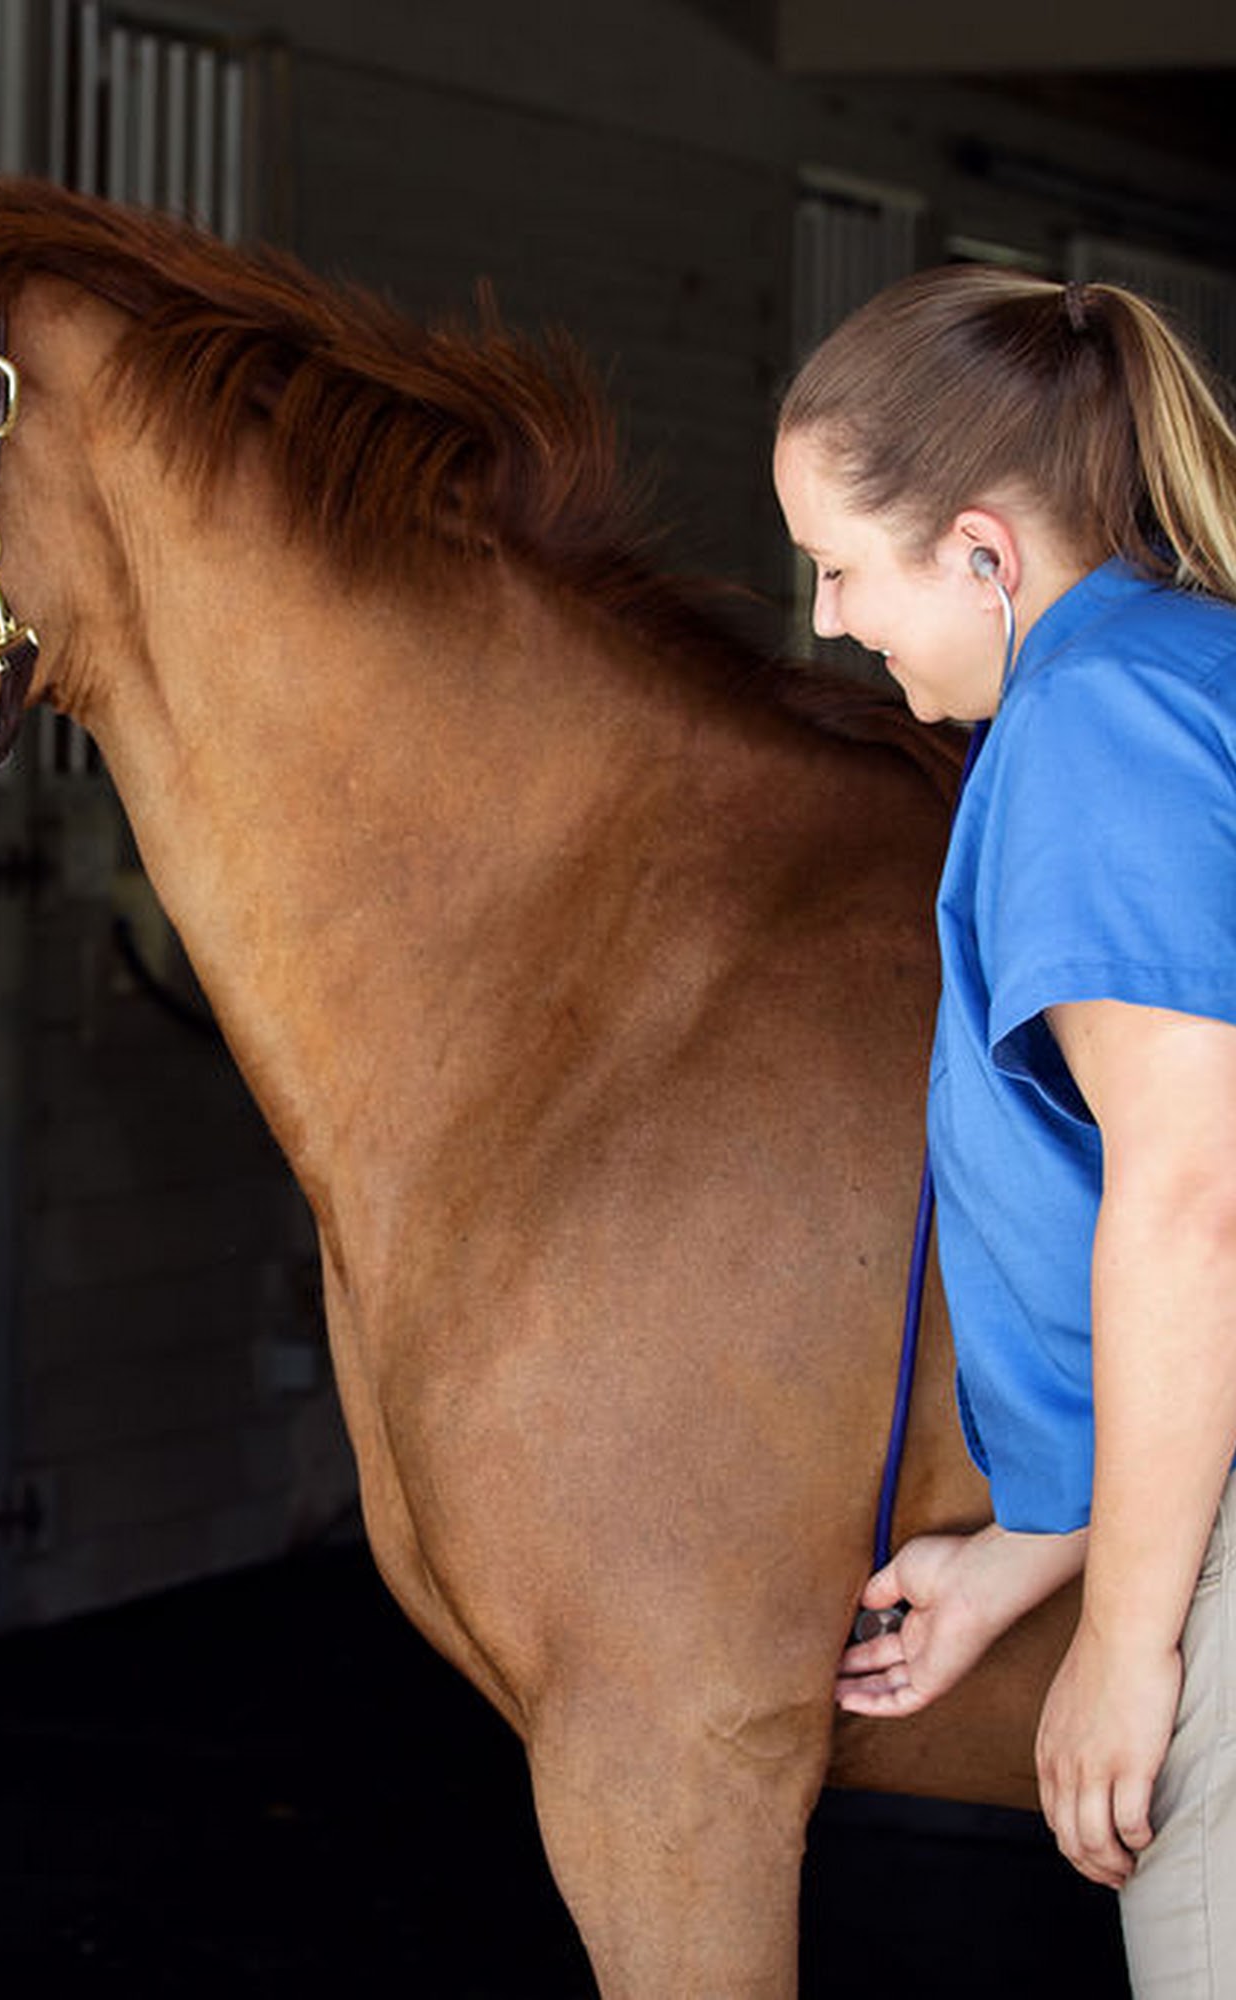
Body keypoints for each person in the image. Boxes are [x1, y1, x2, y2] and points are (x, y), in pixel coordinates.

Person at [775, 263, 1236, 1994]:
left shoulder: (1093, 727)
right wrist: (1035, 1556)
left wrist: (1126, 1644)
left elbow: (1197, 1198)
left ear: (981, 552)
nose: (824, 618)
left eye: (840, 566)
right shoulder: (1184, 668)